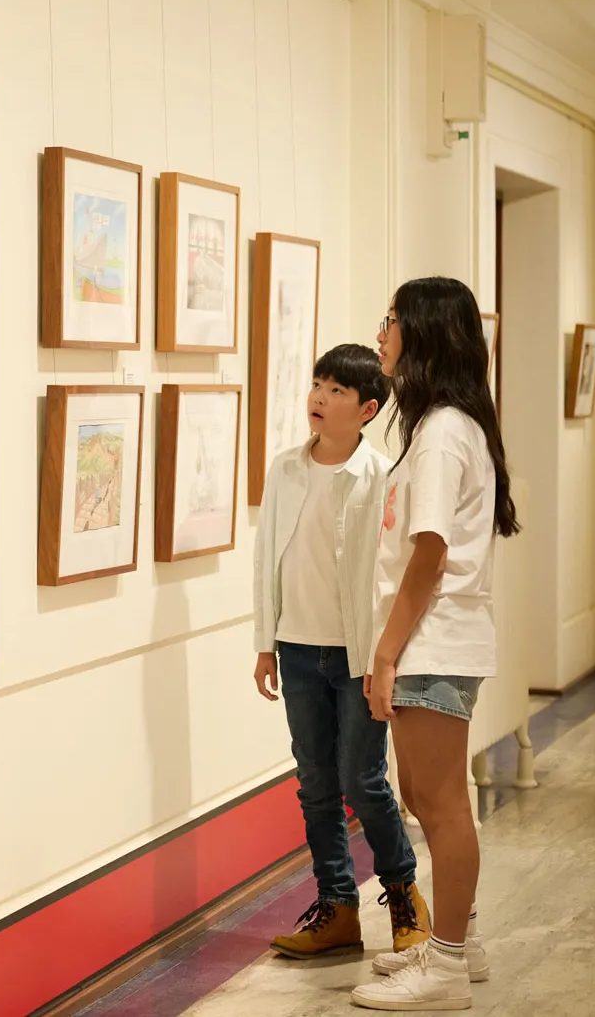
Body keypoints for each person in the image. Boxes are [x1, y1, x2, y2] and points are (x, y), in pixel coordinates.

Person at [352, 277, 518, 1011]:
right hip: (432, 639)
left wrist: (386, 654)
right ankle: (460, 941)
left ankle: (447, 964)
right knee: (425, 794)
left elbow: (428, 554)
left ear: (425, 334)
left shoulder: (447, 429)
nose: (382, 332)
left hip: (433, 640)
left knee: (443, 803)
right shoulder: (437, 425)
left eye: (392, 320)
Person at [254, 344, 430, 962]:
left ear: (367, 408)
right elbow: (265, 561)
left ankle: (405, 896)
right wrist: (264, 643)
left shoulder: (382, 477)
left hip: (355, 657)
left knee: (364, 780)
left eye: (335, 391)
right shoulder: (284, 470)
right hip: (298, 651)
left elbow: (392, 573)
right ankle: (337, 908)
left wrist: (386, 657)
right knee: (315, 783)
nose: (319, 399)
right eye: (317, 385)